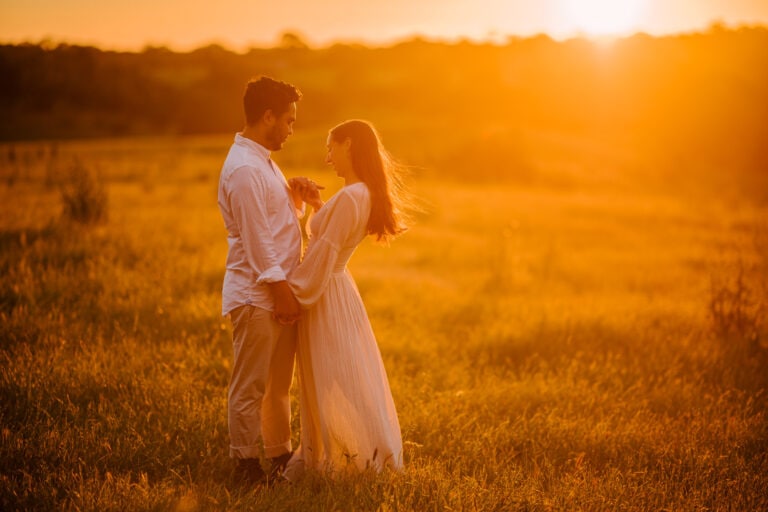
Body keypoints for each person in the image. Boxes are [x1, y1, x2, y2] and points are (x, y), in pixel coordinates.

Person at [283, 119, 407, 479]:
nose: (327, 158)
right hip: (337, 288)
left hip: (326, 293)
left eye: (330, 147)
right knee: (341, 374)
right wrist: (319, 206)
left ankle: (350, 459)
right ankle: (354, 453)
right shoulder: (361, 192)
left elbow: (324, 253)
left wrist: (291, 292)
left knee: (331, 376)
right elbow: (334, 238)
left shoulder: (353, 195)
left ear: (348, 144)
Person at [217, 76, 320, 485]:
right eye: (289, 121)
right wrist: (282, 293)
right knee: (250, 386)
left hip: (277, 294)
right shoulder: (243, 169)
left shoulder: (262, 160)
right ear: (267, 116)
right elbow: (258, 241)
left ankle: (279, 457)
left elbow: (273, 227)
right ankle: (244, 466)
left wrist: (294, 199)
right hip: (258, 296)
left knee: (278, 386)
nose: (292, 130)